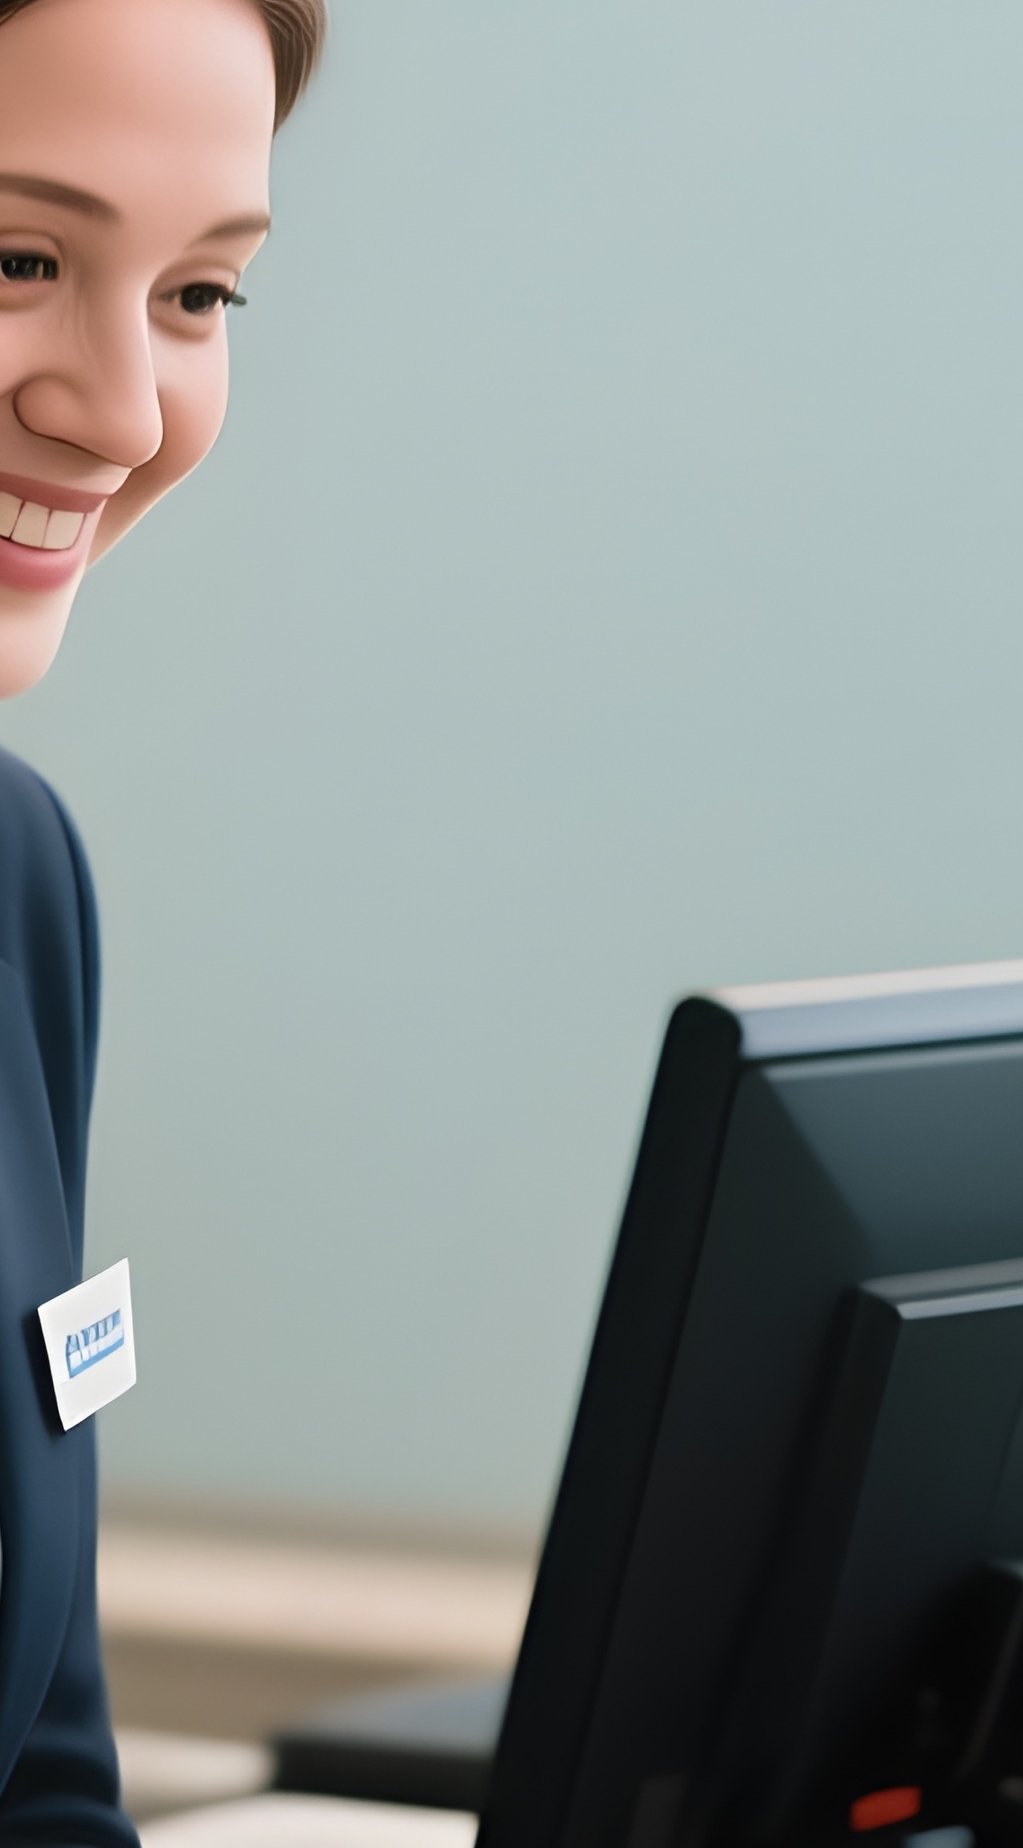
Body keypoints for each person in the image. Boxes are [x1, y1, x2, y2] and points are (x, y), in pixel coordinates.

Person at [0, 0, 324, 1833]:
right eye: (14, 256)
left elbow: (42, 1773)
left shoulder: (15, 883)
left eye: (199, 295)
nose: (118, 412)